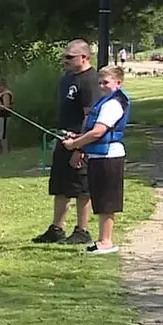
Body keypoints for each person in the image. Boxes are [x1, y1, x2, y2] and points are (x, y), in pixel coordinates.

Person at [32, 39, 99, 246]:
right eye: (64, 56)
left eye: (69, 57)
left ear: (84, 57)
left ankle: (82, 230)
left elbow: (91, 116)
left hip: (78, 141)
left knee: (81, 187)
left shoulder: (90, 81)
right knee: (60, 185)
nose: (65, 60)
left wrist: (80, 145)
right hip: (62, 139)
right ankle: (57, 228)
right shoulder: (66, 79)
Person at [61, 66, 130, 255]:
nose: (102, 86)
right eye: (100, 83)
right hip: (99, 156)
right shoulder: (105, 101)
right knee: (100, 198)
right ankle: (102, 240)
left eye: (106, 82)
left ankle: (107, 242)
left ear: (118, 83)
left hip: (109, 156)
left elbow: (98, 131)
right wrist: (78, 139)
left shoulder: (113, 104)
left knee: (107, 200)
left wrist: (75, 144)